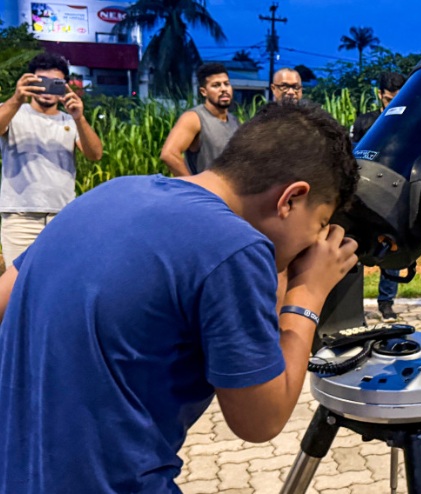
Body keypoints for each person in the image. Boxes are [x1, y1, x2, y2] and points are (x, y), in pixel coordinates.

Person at [0, 102, 360, 492]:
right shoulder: (234, 248)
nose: (317, 240)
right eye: (321, 222)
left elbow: (6, 297)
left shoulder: (111, 192)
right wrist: (308, 292)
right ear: (290, 198)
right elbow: (261, 422)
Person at [0, 52, 103, 269]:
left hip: (62, 216)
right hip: (20, 217)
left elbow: (95, 154)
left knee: (57, 280)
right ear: (29, 81)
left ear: (65, 85)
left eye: (55, 83)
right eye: (41, 82)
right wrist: (17, 98)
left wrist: (80, 117)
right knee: (18, 285)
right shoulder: (14, 111)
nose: (47, 89)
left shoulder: (70, 119)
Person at [350, 71, 407, 322]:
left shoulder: (410, 124)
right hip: (362, 195)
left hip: (395, 196)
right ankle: (352, 306)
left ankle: (386, 303)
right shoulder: (365, 123)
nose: (392, 104)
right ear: (380, 95)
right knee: (355, 251)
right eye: (388, 99)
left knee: (390, 249)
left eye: (398, 99)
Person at [160, 63, 238, 176]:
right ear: (203, 91)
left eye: (226, 84)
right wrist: (194, 186)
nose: (223, 89)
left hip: (230, 192)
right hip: (206, 192)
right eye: (216, 85)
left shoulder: (234, 121)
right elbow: (168, 154)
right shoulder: (194, 118)